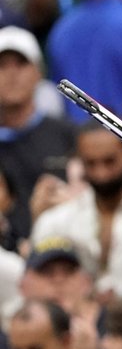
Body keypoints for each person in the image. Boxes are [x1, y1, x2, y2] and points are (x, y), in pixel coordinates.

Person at [32, 121, 122, 301]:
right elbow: (36, 287)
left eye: (109, 161)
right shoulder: (55, 222)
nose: (101, 173)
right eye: (91, 163)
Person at [0, 25, 76, 244]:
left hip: (61, 253)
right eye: (2, 65)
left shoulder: (67, 135)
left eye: (21, 63)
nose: (12, 74)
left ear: (38, 72)